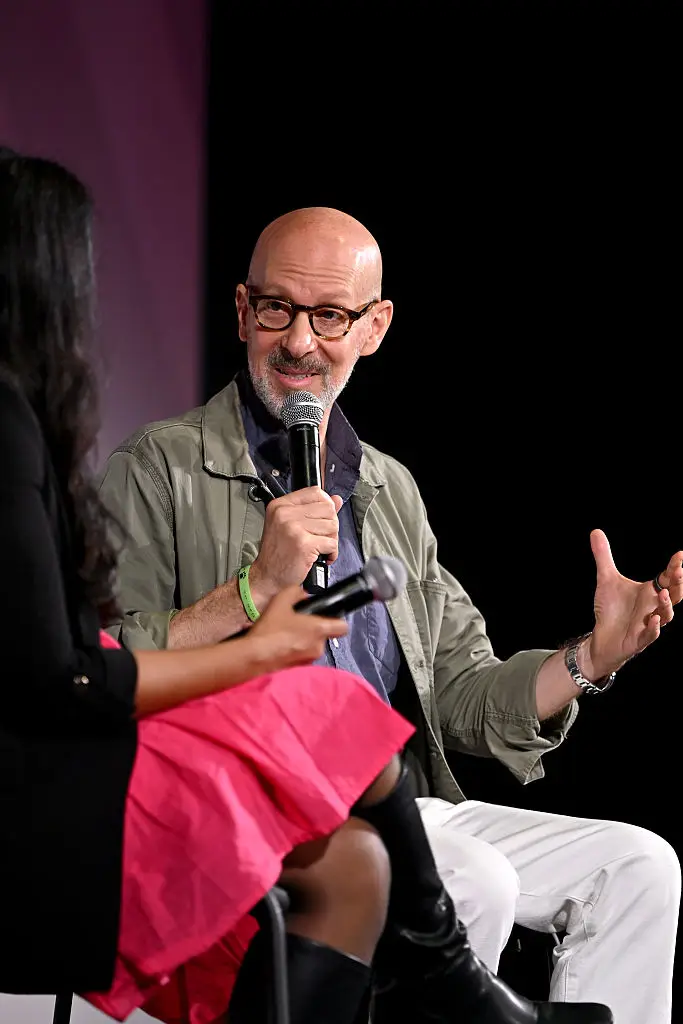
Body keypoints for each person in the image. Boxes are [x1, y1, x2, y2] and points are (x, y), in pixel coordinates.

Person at [0, 153, 612, 1024]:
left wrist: (590, 659)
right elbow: (103, 653)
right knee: (455, 869)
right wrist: (251, 599)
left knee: (639, 865)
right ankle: (459, 991)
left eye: (329, 316)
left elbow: (464, 692)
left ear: (375, 326)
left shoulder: (390, 487)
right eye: (279, 310)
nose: (298, 341)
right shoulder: (157, 465)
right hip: (250, 788)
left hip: (408, 798)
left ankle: (461, 987)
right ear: (244, 311)